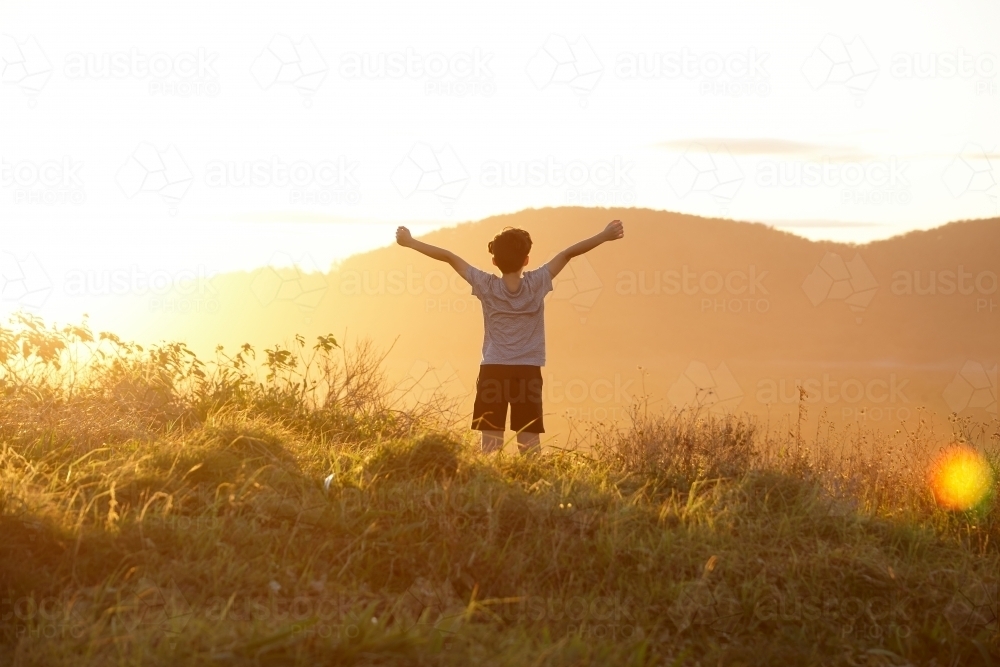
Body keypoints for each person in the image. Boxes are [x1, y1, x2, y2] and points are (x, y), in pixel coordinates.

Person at [395, 219, 625, 454]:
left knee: (490, 447)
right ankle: (531, 487)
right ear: (526, 260)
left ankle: (490, 488)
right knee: (529, 444)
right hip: (527, 371)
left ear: (494, 261)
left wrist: (411, 242)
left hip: (493, 370)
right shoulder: (537, 282)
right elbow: (568, 254)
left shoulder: (485, 284)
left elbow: (449, 257)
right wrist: (604, 235)